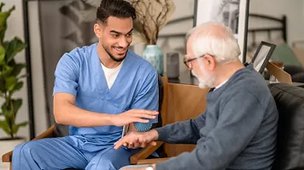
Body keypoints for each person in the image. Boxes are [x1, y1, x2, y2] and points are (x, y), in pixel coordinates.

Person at [12, 0, 159, 169]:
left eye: (128, 34)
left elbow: (141, 125)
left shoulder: (145, 72)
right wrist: (114, 119)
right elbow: (61, 113)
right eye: (115, 35)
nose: (124, 43)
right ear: (98, 30)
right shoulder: (73, 62)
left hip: (118, 147)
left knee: (102, 164)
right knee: (25, 152)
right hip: (78, 145)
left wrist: (136, 134)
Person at [115, 22, 278, 170]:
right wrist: (155, 134)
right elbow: (197, 126)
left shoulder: (244, 93)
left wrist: (155, 169)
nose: (190, 68)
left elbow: (212, 158)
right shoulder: (230, 86)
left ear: (208, 61)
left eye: (189, 61)